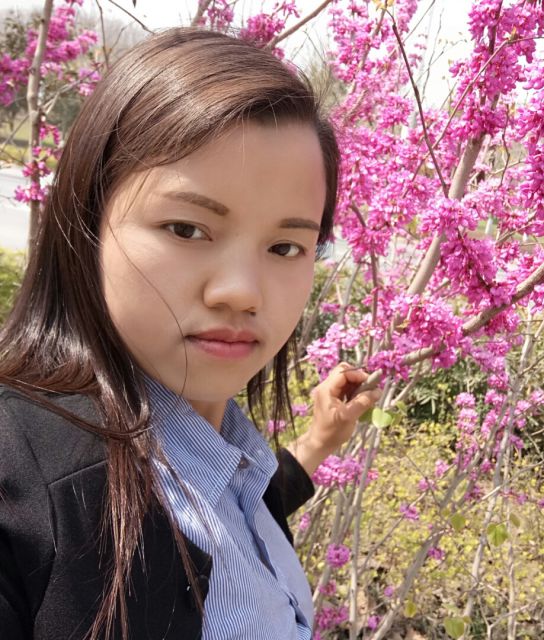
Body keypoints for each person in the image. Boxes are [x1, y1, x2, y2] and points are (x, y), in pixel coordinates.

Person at [0, 28, 380, 640]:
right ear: (88, 220)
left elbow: (214, 511)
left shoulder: (229, 452)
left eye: (286, 246)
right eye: (186, 229)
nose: (242, 292)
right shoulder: (18, 472)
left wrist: (316, 444)